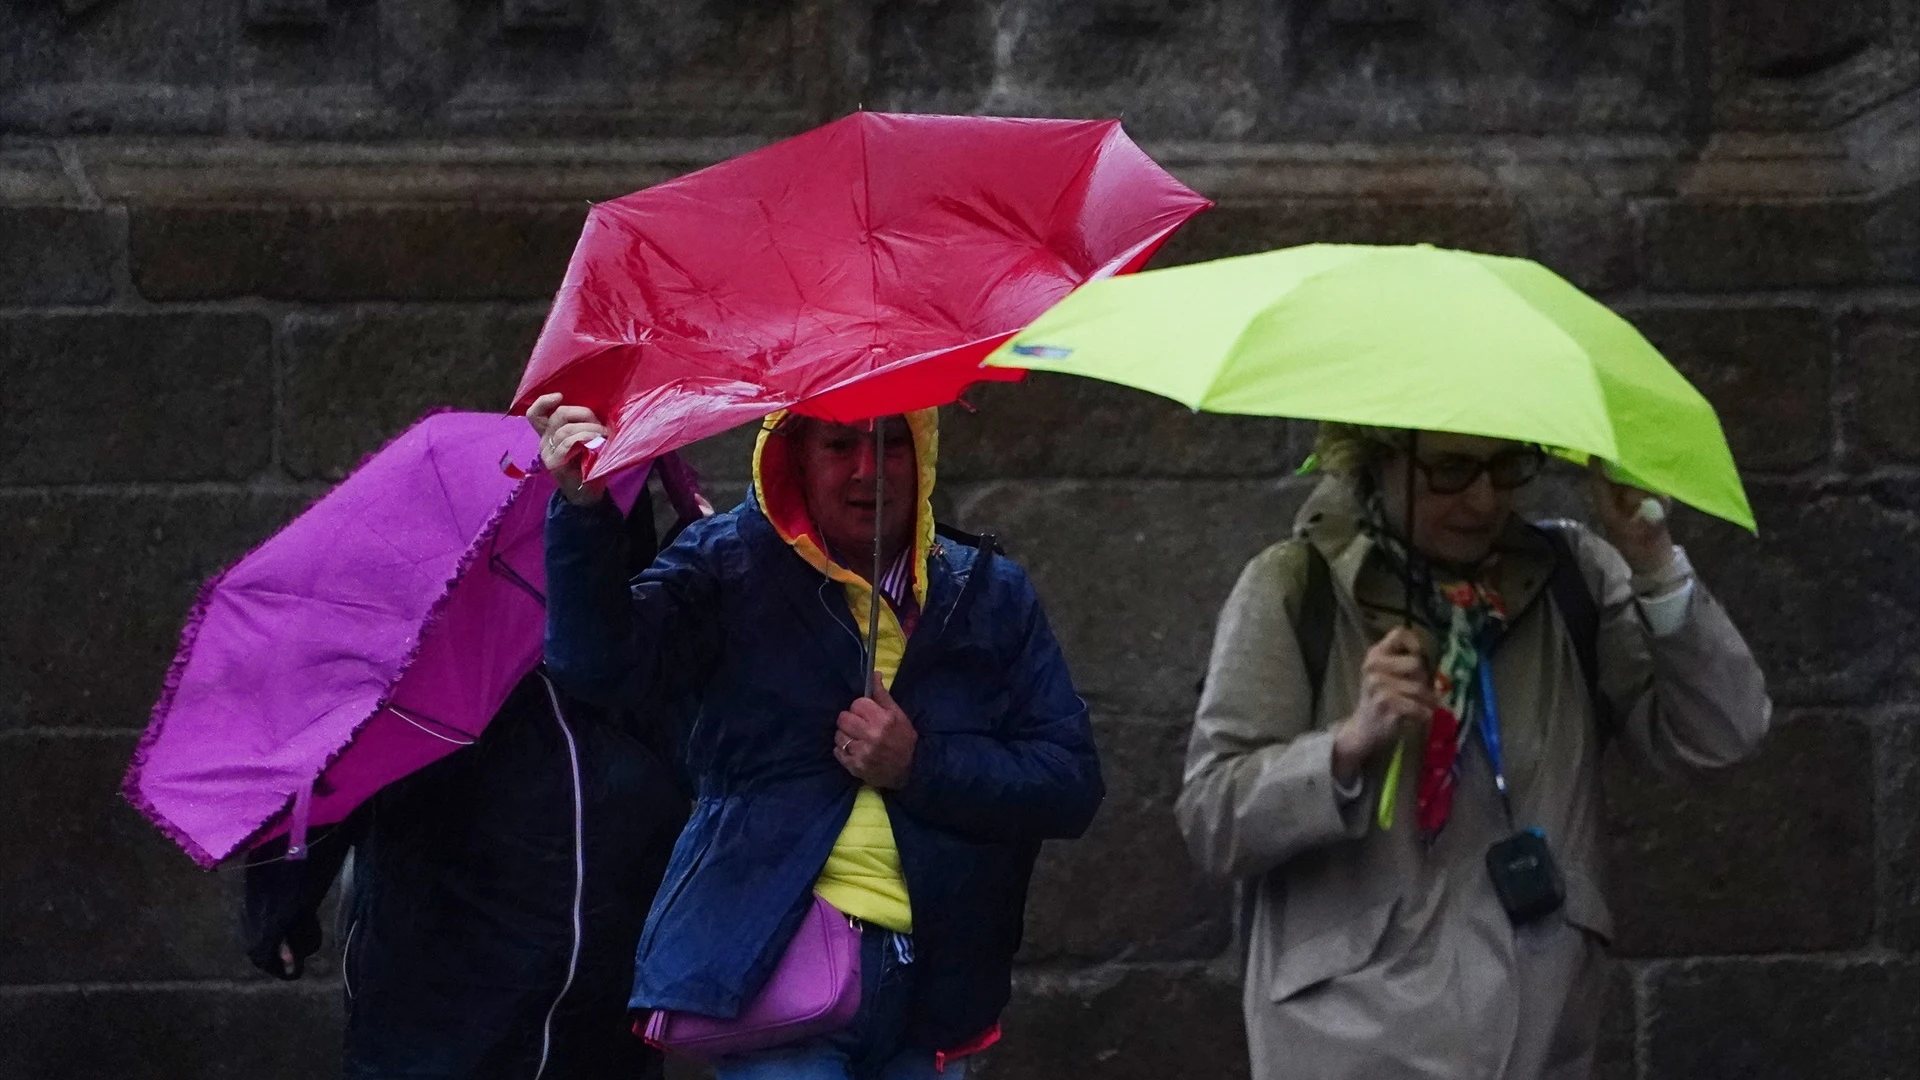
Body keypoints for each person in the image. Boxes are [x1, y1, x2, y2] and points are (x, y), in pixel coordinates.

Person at [529, 395, 1103, 1080]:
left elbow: (1070, 784)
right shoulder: (726, 564)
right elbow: (597, 668)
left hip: (939, 1001)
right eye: (838, 446)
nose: (868, 470)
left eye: (891, 443)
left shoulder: (988, 591)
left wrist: (920, 765)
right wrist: (585, 512)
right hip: (775, 984)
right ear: (794, 454)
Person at [1176, 424, 1772, 1080]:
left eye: (1510, 465)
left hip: (1538, 1041)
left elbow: (1721, 734)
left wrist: (1655, 564)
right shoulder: (1293, 586)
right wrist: (1345, 747)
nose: (1485, 499)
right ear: (1378, 459)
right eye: (1451, 469)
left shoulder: (1577, 576)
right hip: (1349, 1048)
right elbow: (1213, 816)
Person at [243, 477, 695, 1080]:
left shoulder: (642, 645)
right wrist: (282, 899)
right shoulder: (431, 658)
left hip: (603, 1009)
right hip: (442, 1005)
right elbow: (330, 761)